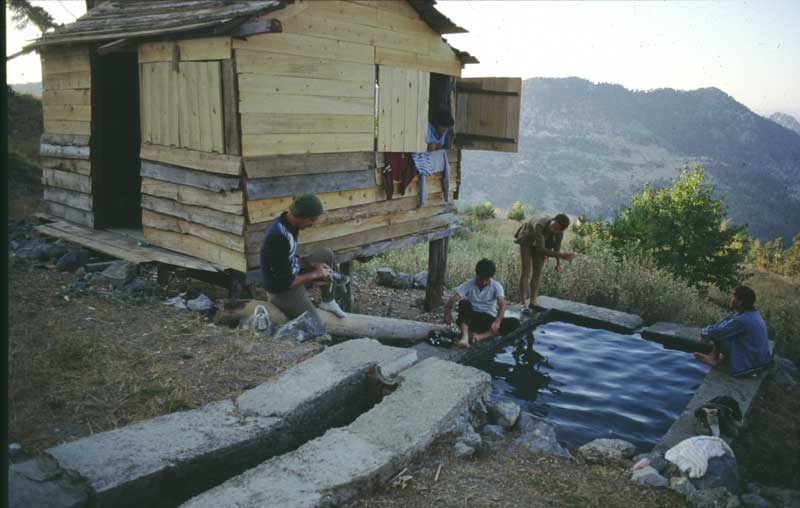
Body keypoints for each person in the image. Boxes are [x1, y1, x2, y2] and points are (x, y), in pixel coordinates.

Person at [260, 194, 348, 328]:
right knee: (316, 327)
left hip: (291, 273)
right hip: (281, 290)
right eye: (311, 219)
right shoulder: (279, 237)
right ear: (299, 216)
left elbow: (288, 257)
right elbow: (285, 282)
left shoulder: (289, 223)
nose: (313, 224)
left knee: (326, 254)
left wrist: (311, 264)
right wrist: (316, 274)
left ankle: (328, 301)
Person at [693, 285, 772, 377]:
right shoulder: (752, 313)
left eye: (733, 296)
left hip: (749, 365)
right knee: (723, 328)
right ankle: (713, 356)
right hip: (758, 359)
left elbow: (717, 333)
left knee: (720, 335)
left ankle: (714, 358)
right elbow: (724, 323)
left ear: (740, 302)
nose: (731, 298)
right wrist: (707, 332)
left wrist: (704, 333)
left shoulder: (743, 320)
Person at [514, 214, 576, 312]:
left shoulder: (559, 232)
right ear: (553, 220)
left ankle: (533, 302)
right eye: (554, 227)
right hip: (527, 236)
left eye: (557, 230)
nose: (554, 230)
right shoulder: (540, 224)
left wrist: (558, 263)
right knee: (526, 271)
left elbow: (557, 247)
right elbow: (541, 250)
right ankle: (523, 304)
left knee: (537, 271)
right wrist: (562, 256)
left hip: (542, 241)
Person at [444, 258, 507, 349]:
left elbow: (502, 304)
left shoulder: (496, 286)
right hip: (470, 319)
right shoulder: (469, 284)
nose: (483, 282)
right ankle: (465, 338)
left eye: (486, 280)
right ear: (477, 275)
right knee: (464, 303)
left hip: (487, 319)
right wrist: (447, 312)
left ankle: (480, 336)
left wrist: (497, 322)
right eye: (480, 279)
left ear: (490, 277)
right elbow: (453, 299)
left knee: (514, 323)